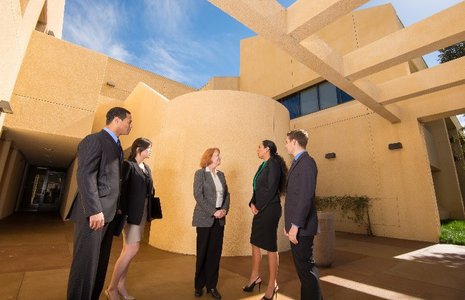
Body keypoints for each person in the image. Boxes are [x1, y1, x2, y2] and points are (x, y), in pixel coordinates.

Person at [66, 107, 132, 300]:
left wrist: (118, 208)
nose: (131, 125)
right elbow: (86, 175)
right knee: (85, 265)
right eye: (129, 121)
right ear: (117, 120)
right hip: (94, 215)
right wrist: (94, 210)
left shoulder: (117, 146)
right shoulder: (94, 140)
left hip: (108, 215)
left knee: (99, 265)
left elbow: (111, 180)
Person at [106, 138, 154, 300]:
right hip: (131, 214)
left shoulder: (146, 168)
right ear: (139, 148)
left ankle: (120, 285)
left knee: (127, 250)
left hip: (142, 213)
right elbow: (121, 191)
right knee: (132, 249)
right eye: (149, 148)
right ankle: (112, 288)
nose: (151, 151)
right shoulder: (128, 165)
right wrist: (122, 213)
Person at [244, 140, 287, 300]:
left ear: (267, 149)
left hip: (270, 209)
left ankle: (272, 284)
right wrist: (252, 203)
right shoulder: (263, 165)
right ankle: (255, 277)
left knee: (270, 246)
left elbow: (270, 189)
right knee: (255, 241)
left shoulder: (274, 164)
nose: (257, 149)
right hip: (260, 209)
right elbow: (257, 187)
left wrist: (259, 206)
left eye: (259, 147)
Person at [284, 129, 321, 300]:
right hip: (297, 226)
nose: (285, 145)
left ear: (294, 142)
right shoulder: (297, 162)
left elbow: (305, 197)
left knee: (306, 271)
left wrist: (295, 226)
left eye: (286, 141)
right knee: (304, 271)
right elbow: (295, 196)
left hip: (302, 228)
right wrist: (289, 225)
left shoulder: (307, 162)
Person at [192, 148, 230, 299]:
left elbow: (227, 194)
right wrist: (213, 211)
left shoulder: (221, 175)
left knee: (215, 253)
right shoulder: (200, 174)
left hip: (219, 219)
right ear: (209, 158)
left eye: (219, 155)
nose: (219, 157)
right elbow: (198, 195)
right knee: (203, 252)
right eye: (216, 155)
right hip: (204, 218)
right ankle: (198, 286)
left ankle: (212, 286)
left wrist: (224, 209)